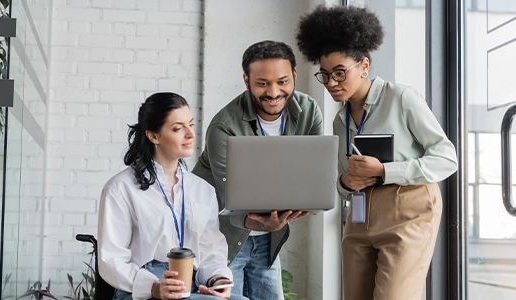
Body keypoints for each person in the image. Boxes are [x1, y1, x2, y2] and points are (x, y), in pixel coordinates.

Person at [295, 5, 458, 300]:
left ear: (365, 66)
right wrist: (346, 184)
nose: (332, 83)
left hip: (407, 214)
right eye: (325, 75)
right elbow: (343, 184)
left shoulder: (401, 98)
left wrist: (384, 171)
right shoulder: (339, 120)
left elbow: (446, 158)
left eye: (340, 73)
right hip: (358, 220)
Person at [192, 40, 323, 300]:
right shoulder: (224, 126)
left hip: (267, 241)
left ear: (294, 76)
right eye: (262, 83)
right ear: (246, 80)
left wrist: (284, 215)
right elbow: (230, 201)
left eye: (283, 81)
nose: (274, 92)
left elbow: (315, 179)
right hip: (221, 240)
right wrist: (264, 221)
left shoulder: (308, 111)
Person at [98, 92, 248, 300]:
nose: (190, 134)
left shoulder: (202, 189)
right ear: (153, 136)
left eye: (191, 124)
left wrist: (218, 279)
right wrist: (153, 287)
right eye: (178, 128)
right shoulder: (120, 188)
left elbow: (211, 252)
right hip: (142, 290)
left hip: (192, 286)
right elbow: (111, 259)